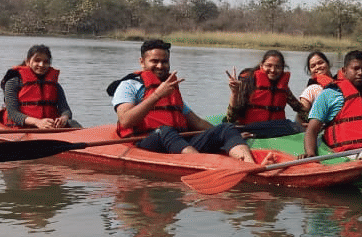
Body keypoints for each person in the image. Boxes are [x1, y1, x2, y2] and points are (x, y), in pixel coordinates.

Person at [108, 39, 256, 162]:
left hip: (177, 142)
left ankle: (249, 166)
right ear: (142, 62)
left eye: (164, 61)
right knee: (164, 131)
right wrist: (156, 95)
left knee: (226, 128)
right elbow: (125, 120)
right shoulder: (128, 86)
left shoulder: (170, 89)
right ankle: (206, 166)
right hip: (145, 141)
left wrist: (228, 135)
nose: (160, 66)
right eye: (154, 61)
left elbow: (196, 122)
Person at [0, 44, 81, 129]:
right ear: (28, 62)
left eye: (46, 62)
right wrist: (37, 122)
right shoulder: (13, 82)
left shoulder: (55, 85)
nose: (41, 65)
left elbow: (66, 110)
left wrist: (63, 118)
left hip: (50, 127)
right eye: (37, 61)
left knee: (73, 123)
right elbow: (13, 113)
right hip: (22, 128)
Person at [225, 49, 306, 126]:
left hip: (276, 129)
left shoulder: (283, 88)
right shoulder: (248, 82)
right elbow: (231, 119)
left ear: (282, 68)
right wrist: (234, 92)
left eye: (277, 67)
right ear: (261, 66)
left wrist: (314, 122)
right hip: (250, 128)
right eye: (269, 65)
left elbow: (299, 108)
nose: (273, 70)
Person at [297, 51, 335, 123]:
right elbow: (300, 117)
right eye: (313, 66)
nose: (317, 67)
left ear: (328, 64)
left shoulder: (340, 85)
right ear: (310, 70)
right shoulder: (311, 90)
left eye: (320, 63)